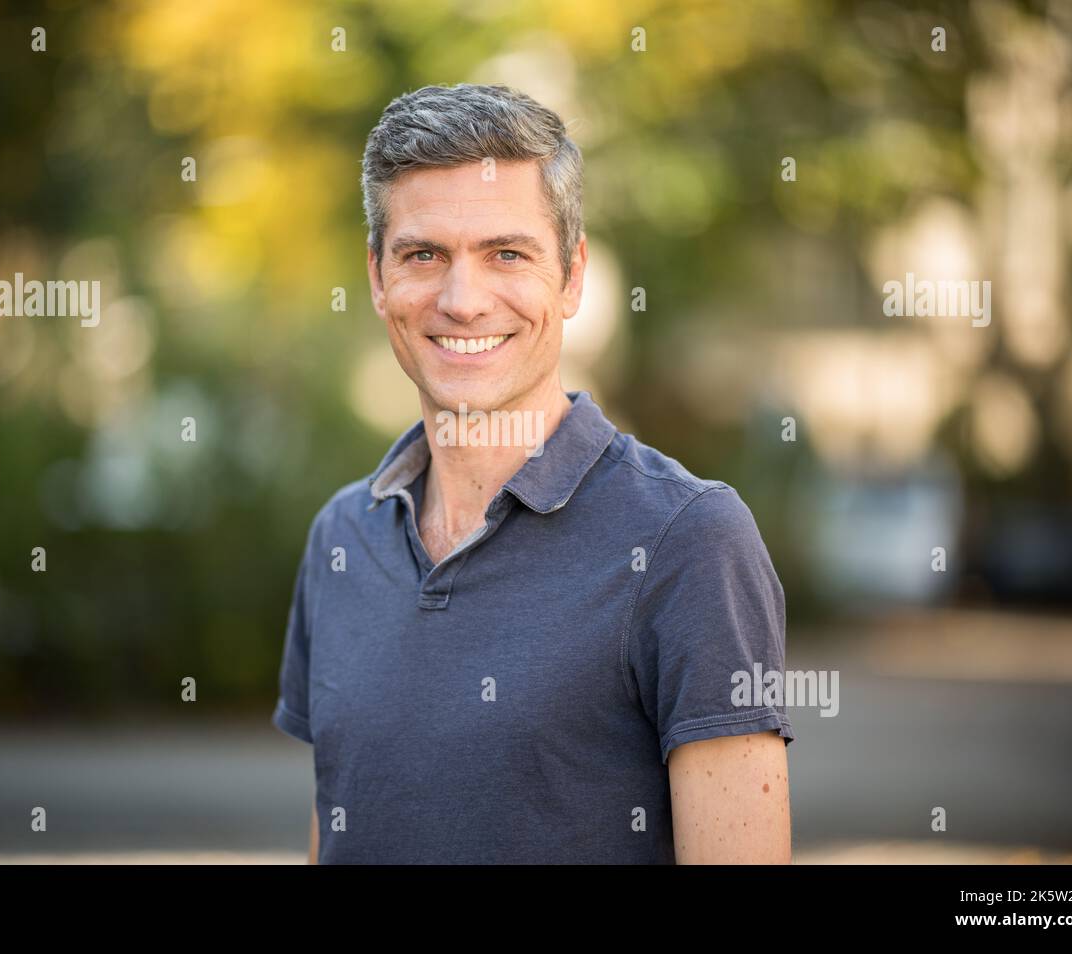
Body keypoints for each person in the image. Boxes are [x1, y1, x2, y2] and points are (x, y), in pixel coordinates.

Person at [273, 83, 793, 864]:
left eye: (506, 254)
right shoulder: (342, 539)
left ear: (572, 276)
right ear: (378, 276)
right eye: (424, 255)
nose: (462, 300)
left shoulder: (689, 541)